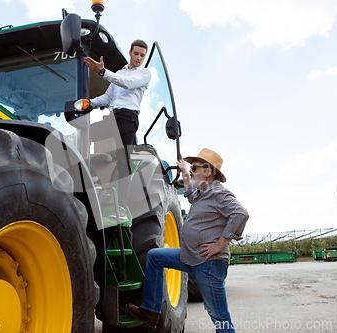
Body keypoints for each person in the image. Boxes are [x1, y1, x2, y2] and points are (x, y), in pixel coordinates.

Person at [125, 148, 249, 332]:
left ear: (208, 172)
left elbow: (240, 214)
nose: (192, 170)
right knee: (154, 257)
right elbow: (190, 194)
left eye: (195, 167)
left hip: (209, 263)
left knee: (220, 317)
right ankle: (151, 312)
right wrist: (184, 171)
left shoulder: (219, 193)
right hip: (191, 257)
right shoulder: (203, 192)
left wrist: (219, 244)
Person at [84, 40, 151, 219]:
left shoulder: (144, 73)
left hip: (128, 119)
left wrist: (103, 72)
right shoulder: (120, 72)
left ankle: (121, 208)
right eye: (136, 53)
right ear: (130, 52)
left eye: (142, 55)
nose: (139, 57)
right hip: (112, 118)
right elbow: (107, 97)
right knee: (84, 135)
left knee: (123, 161)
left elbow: (127, 83)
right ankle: (91, 179)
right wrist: (90, 103)